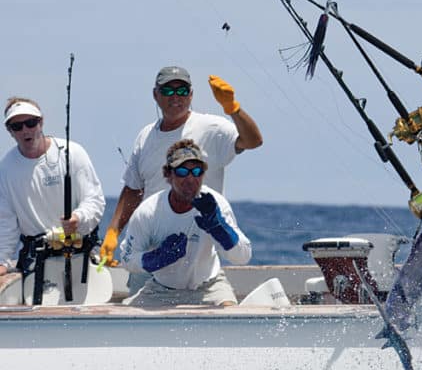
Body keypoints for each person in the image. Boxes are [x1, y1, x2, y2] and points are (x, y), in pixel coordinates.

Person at [99, 66, 263, 268]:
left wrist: (233, 109)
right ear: (155, 95)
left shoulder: (213, 127)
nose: (175, 96)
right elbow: (134, 189)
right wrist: (113, 231)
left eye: (182, 91)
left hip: (197, 249)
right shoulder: (145, 136)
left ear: (191, 94)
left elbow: (253, 141)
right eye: (168, 90)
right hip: (152, 249)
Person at [119, 139, 252, 307]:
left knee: (231, 314)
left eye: (197, 171)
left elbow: (243, 257)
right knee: (129, 319)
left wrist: (220, 229)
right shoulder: (149, 211)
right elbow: (127, 258)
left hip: (210, 287)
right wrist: (157, 258)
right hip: (162, 290)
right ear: (168, 175)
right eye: (182, 171)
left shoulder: (216, 204)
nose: (190, 179)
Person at [0, 97, 105, 290]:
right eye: (17, 126)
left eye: (30, 123)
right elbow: (6, 222)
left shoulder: (73, 152)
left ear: (41, 122)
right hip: (36, 257)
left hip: (79, 251)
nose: (25, 130)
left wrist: (78, 218)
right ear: (10, 131)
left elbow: (94, 199)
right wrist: (3, 262)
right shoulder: (6, 168)